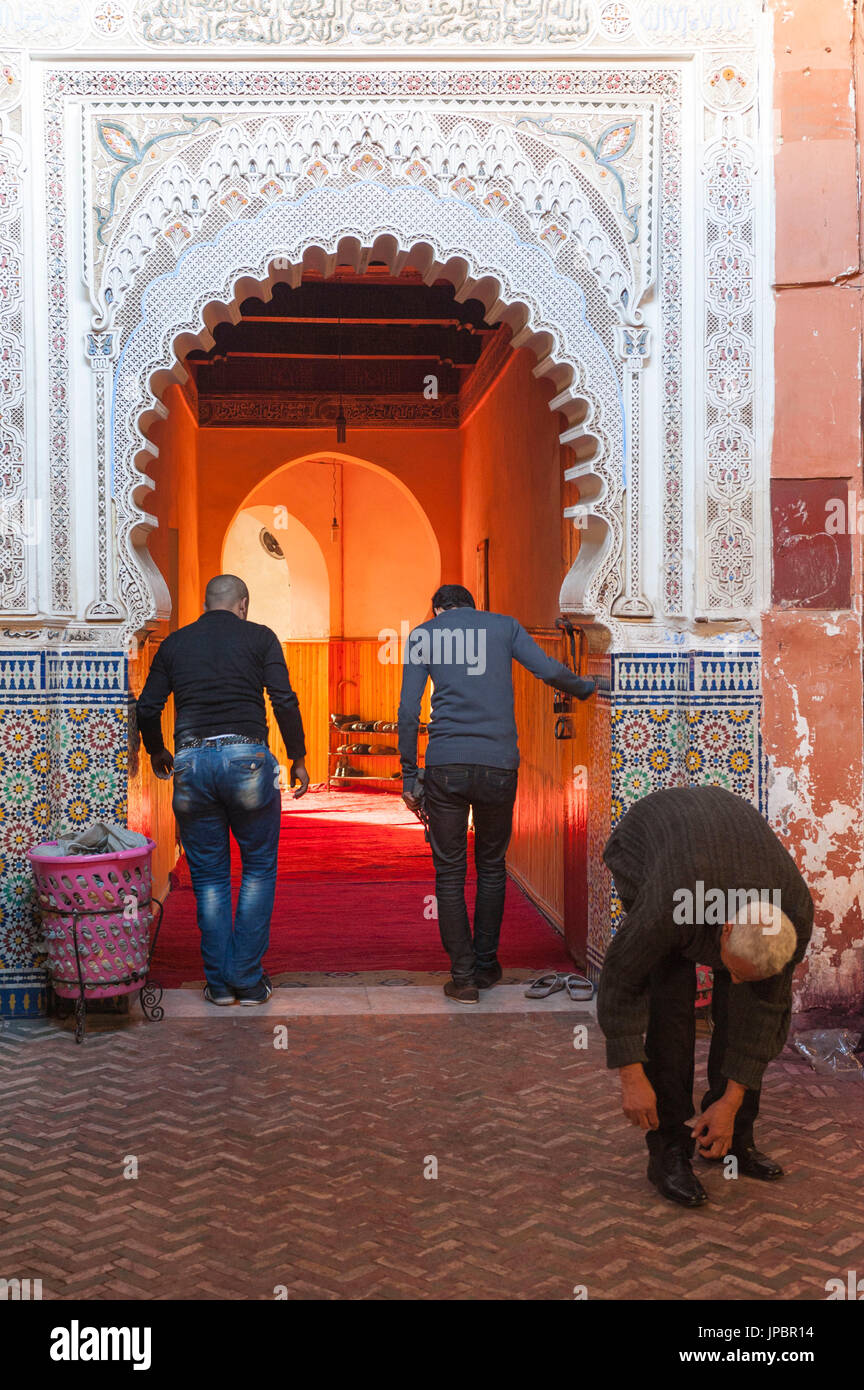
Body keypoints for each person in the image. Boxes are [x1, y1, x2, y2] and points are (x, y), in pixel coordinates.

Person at [596, 785, 814, 1207]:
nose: (728, 981)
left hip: (718, 857)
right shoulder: (668, 904)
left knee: (747, 1002)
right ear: (726, 930)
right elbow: (622, 978)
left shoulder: (794, 915)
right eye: (728, 968)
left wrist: (732, 1102)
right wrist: (630, 1073)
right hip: (650, 843)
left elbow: (767, 1012)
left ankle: (730, 1135)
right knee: (670, 997)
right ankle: (669, 1150)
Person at [398, 584, 596, 1003]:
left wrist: (408, 776)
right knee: (491, 866)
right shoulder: (504, 627)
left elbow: (408, 710)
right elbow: (546, 669)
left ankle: (464, 977)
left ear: (437, 608)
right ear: (473, 605)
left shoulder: (423, 634)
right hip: (498, 766)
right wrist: (584, 689)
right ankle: (487, 965)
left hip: (445, 766)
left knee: (450, 873)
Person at [135, 574, 309, 1006]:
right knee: (257, 869)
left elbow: (147, 706)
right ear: (242, 604)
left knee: (210, 878)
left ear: (207, 604)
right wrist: (298, 757)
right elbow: (283, 699)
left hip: (191, 763)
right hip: (248, 761)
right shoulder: (261, 638)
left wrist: (158, 752)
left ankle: (218, 984)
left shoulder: (175, 644)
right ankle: (247, 980)